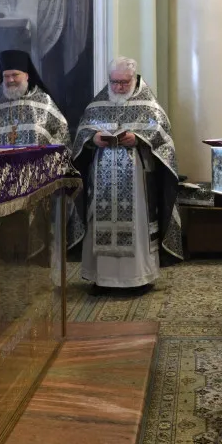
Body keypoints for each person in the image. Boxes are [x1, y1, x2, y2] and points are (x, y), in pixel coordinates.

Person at [71, 57, 183, 292]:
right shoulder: (97, 104)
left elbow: (164, 138)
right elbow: (82, 134)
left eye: (124, 82)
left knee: (136, 227)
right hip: (101, 181)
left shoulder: (148, 105)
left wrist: (140, 139)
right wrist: (93, 139)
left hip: (136, 182)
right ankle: (102, 279)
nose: (119, 87)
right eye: (115, 82)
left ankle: (138, 279)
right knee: (99, 225)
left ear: (134, 78)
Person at [0, 50, 71, 147]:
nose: (10, 80)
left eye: (15, 75)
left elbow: (61, 137)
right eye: (6, 76)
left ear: (26, 76)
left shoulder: (43, 101)